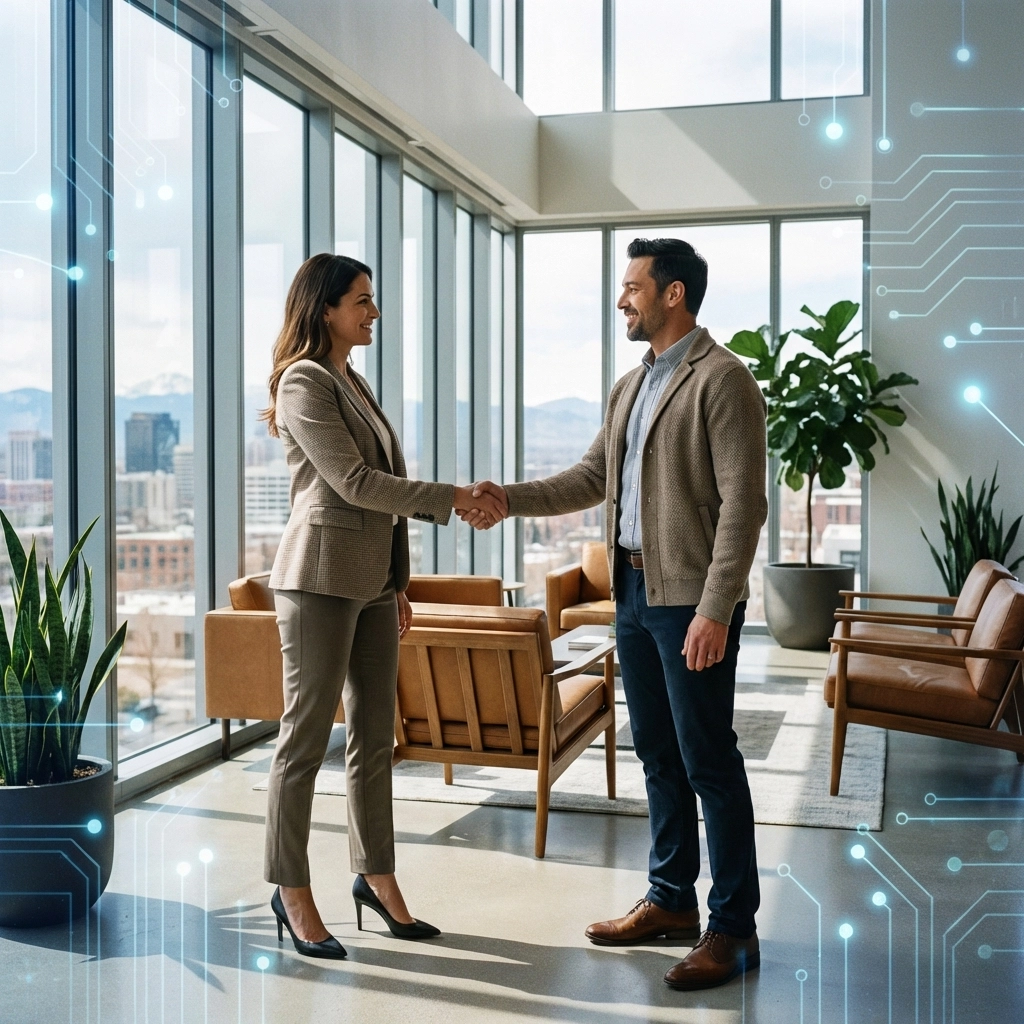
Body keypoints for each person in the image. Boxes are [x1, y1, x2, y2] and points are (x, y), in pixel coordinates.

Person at [466, 238, 767, 990]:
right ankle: (670, 900)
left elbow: (744, 508)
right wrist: (510, 500)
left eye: (632, 286)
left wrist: (716, 607)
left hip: (688, 603)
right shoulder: (632, 384)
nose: (621, 300)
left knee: (710, 760)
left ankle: (731, 926)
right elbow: (592, 477)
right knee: (657, 756)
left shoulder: (723, 380)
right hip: (632, 597)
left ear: (673, 295)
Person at [262, 253, 505, 959]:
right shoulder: (304, 380)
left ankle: (376, 876)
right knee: (305, 740)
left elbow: (383, 491)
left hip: (370, 584)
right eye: (361, 301)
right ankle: (291, 889)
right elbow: (355, 483)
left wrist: (398, 582)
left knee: (376, 736)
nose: (373, 313)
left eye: (373, 301)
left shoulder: (352, 381)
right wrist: (453, 498)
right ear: (325, 308)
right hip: (316, 580)